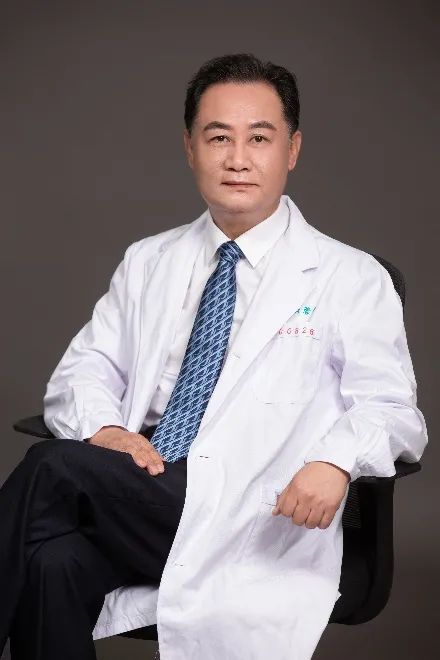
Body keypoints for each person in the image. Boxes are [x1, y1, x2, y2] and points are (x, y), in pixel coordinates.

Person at [0, 52, 428, 660]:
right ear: (190, 147)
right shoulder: (149, 260)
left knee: (51, 469)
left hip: (255, 510)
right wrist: (104, 430)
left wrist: (337, 460)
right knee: (52, 561)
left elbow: (393, 410)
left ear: (292, 150)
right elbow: (84, 369)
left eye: (260, 138)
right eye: (219, 137)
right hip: (147, 483)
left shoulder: (350, 277)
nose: (238, 158)